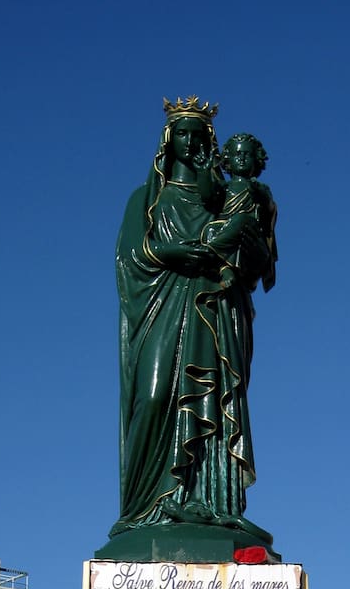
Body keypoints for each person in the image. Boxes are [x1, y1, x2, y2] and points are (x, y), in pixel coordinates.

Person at [109, 97, 273, 545]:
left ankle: (209, 503)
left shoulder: (222, 198)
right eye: (181, 132)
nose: (189, 140)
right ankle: (147, 505)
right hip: (162, 305)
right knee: (156, 393)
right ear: (168, 141)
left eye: (197, 133)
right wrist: (173, 252)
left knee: (215, 403)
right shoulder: (146, 199)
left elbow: (254, 257)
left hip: (213, 308)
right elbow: (128, 257)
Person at [204, 132, 277, 294]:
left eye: (247, 154)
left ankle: (209, 251)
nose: (242, 158)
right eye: (237, 154)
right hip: (229, 236)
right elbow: (207, 195)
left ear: (256, 159)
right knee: (210, 230)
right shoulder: (224, 187)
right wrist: (204, 171)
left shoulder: (260, 189)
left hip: (252, 240)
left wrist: (259, 193)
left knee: (242, 220)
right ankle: (226, 268)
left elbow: (270, 208)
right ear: (227, 159)